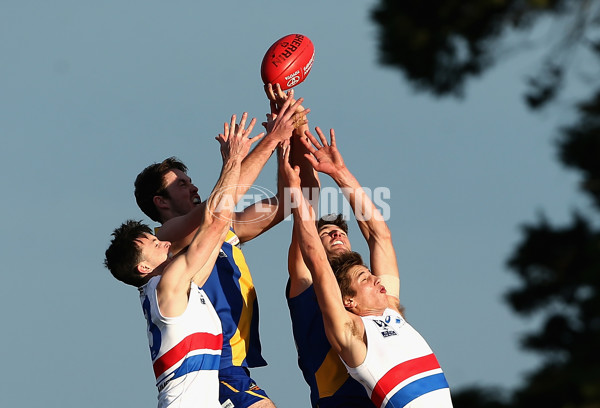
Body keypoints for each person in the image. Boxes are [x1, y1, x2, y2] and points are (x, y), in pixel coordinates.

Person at [133, 94, 307, 408]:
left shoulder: (226, 231)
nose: (194, 187)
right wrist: (269, 139)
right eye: (182, 185)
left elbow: (287, 202)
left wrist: (289, 142)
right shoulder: (169, 238)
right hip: (216, 364)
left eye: (190, 181)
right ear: (161, 202)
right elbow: (224, 199)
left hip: (232, 364)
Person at [281, 133, 453, 407]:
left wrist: (340, 173)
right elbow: (313, 255)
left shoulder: (386, 306)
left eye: (341, 231)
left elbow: (378, 235)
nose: (336, 234)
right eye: (326, 233)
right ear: (347, 299)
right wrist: (297, 189)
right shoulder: (316, 294)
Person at [103, 118, 257, 407]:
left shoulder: (179, 288)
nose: (163, 241)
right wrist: (233, 160)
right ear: (143, 268)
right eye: (153, 243)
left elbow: (217, 230)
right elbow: (215, 222)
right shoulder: (171, 282)